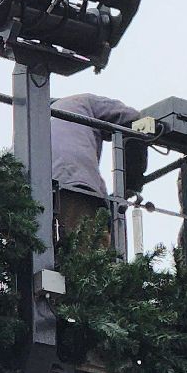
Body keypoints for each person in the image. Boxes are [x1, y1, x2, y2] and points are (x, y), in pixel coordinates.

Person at [50, 93, 143, 253]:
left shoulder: (31, 115)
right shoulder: (83, 102)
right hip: (74, 184)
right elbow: (135, 120)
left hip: (33, 193)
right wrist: (131, 184)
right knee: (90, 256)